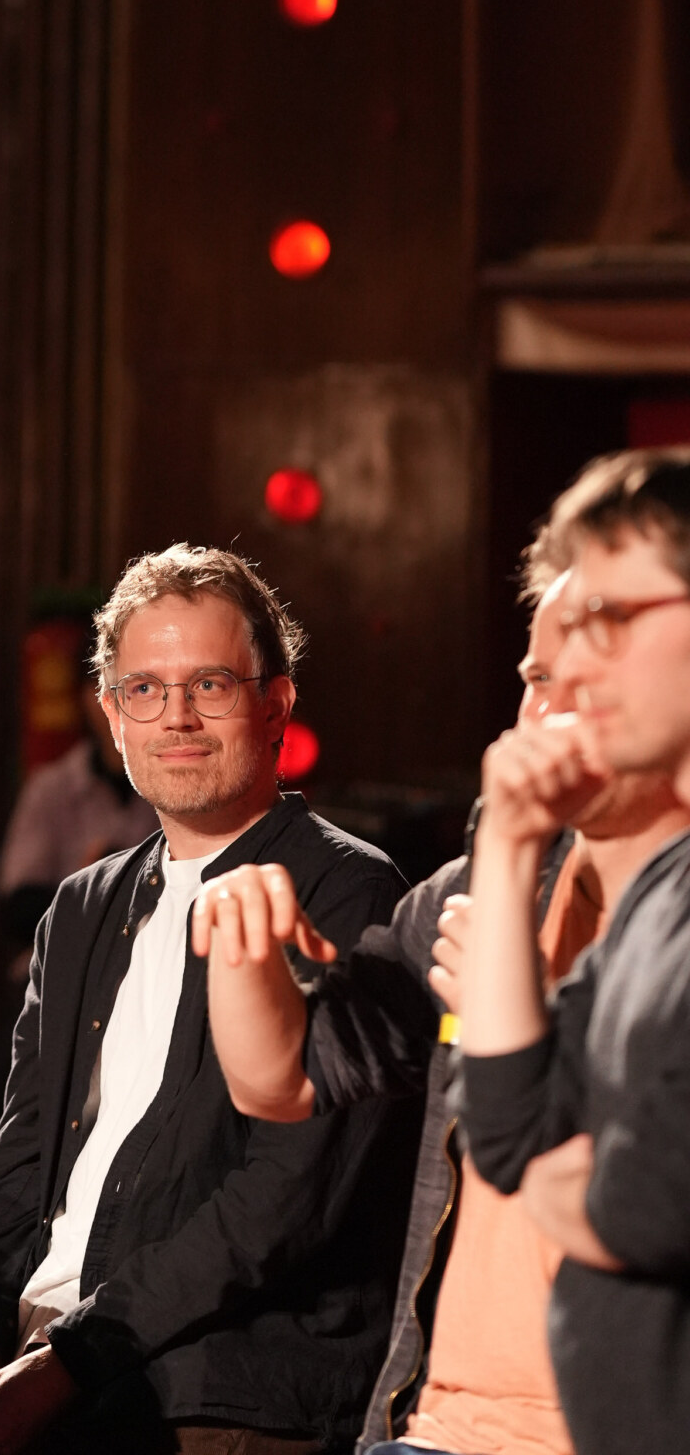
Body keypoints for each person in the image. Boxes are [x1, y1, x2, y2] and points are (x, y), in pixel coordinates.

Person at [193, 551, 690, 1455]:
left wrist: (516, 1015)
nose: (544, 718)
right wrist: (239, 934)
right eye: (536, 679)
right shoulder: (483, 888)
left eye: (586, 684)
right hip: (434, 1426)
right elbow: (280, 1079)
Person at [0, 544, 419, 1455]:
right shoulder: (81, 906)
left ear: (276, 704)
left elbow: (288, 1199)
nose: (178, 717)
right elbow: (20, 1157)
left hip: (218, 1386)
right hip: (48, 1353)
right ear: (112, 715)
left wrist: (65, 1366)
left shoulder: (349, 892)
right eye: (146, 689)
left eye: (211, 685)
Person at [454, 448, 690, 1455]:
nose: (578, 670)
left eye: (611, 619)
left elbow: (647, 1203)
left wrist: (585, 1189)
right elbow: (509, 1135)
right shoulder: (663, 890)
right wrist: (509, 848)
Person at [0, 658, 157, 947]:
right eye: (110, 688)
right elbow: (18, 906)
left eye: (141, 689)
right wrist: (88, 885)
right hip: (66, 954)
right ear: (87, 696)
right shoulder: (52, 788)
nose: (122, 704)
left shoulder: (170, 781)